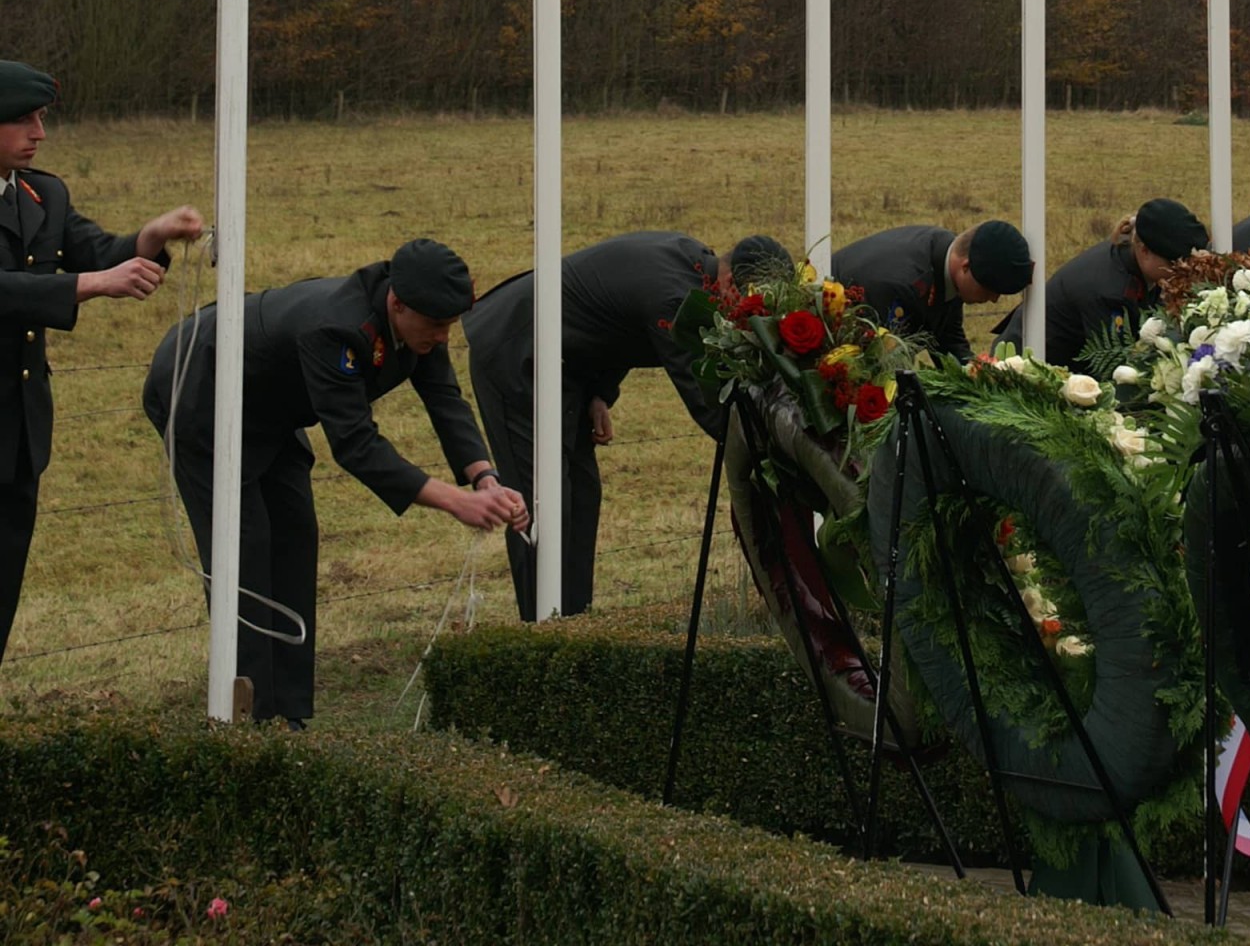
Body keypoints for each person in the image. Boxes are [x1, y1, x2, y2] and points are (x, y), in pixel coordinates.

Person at [143, 238, 524, 723]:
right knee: (245, 550)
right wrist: (453, 501)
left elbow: (445, 399)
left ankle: (292, 716)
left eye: (448, 325)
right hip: (199, 388)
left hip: (272, 409)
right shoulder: (337, 327)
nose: (443, 337)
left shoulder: (421, 321)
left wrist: (484, 478)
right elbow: (356, 445)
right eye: (435, 326)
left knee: (296, 536)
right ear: (397, 304)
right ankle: (249, 720)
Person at [464, 231, 792, 620]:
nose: (751, 318)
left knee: (581, 496)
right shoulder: (675, 296)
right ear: (728, 281)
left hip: (567, 366)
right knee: (541, 502)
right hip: (514, 350)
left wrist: (601, 393)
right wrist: (772, 452)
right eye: (751, 305)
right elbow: (708, 402)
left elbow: (615, 315)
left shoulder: (692, 272)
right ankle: (543, 630)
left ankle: (573, 621)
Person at [0, 61, 204, 666]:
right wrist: (88, 284)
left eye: (42, 119)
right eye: (24, 120)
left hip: (18, 440)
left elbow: (100, 252)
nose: (40, 133)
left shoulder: (43, 192)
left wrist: (152, 234)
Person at [994, 198, 1209, 372]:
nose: (1184, 272)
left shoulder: (1135, 264)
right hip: (1020, 370)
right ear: (1144, 251)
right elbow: (1115, 370)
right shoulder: (1109, 292)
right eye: (1174, 264)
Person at [831, 221, 1034, 363]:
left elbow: (947, 337)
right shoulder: (903, 283)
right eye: (989, 289)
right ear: (965, 267)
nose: (994, 299)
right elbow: (882, 363)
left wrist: (976, 376)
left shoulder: (945, 256)